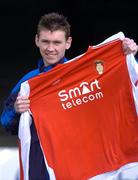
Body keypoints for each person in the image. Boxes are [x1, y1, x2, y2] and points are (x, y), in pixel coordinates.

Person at [0, 12, 138, 180]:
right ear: (37, 40)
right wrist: (16, 110)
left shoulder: (86, 75)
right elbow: (6, 122)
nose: (50, 48)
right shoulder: (28, 83)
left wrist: (128, 56)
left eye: (57, 42)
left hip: (80, 166)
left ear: (68, 43)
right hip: (41, 167)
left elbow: (120, 87)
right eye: (45, 42)